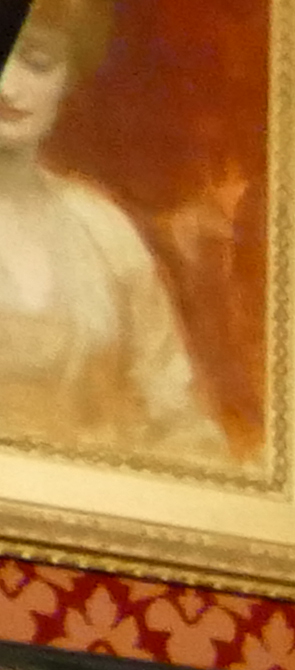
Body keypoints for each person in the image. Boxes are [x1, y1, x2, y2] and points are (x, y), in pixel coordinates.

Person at [0, 0, 228, 472]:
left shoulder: (103, 231)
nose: (8, 86)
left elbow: (174, 411)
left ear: (66, 80)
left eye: (37, 62)